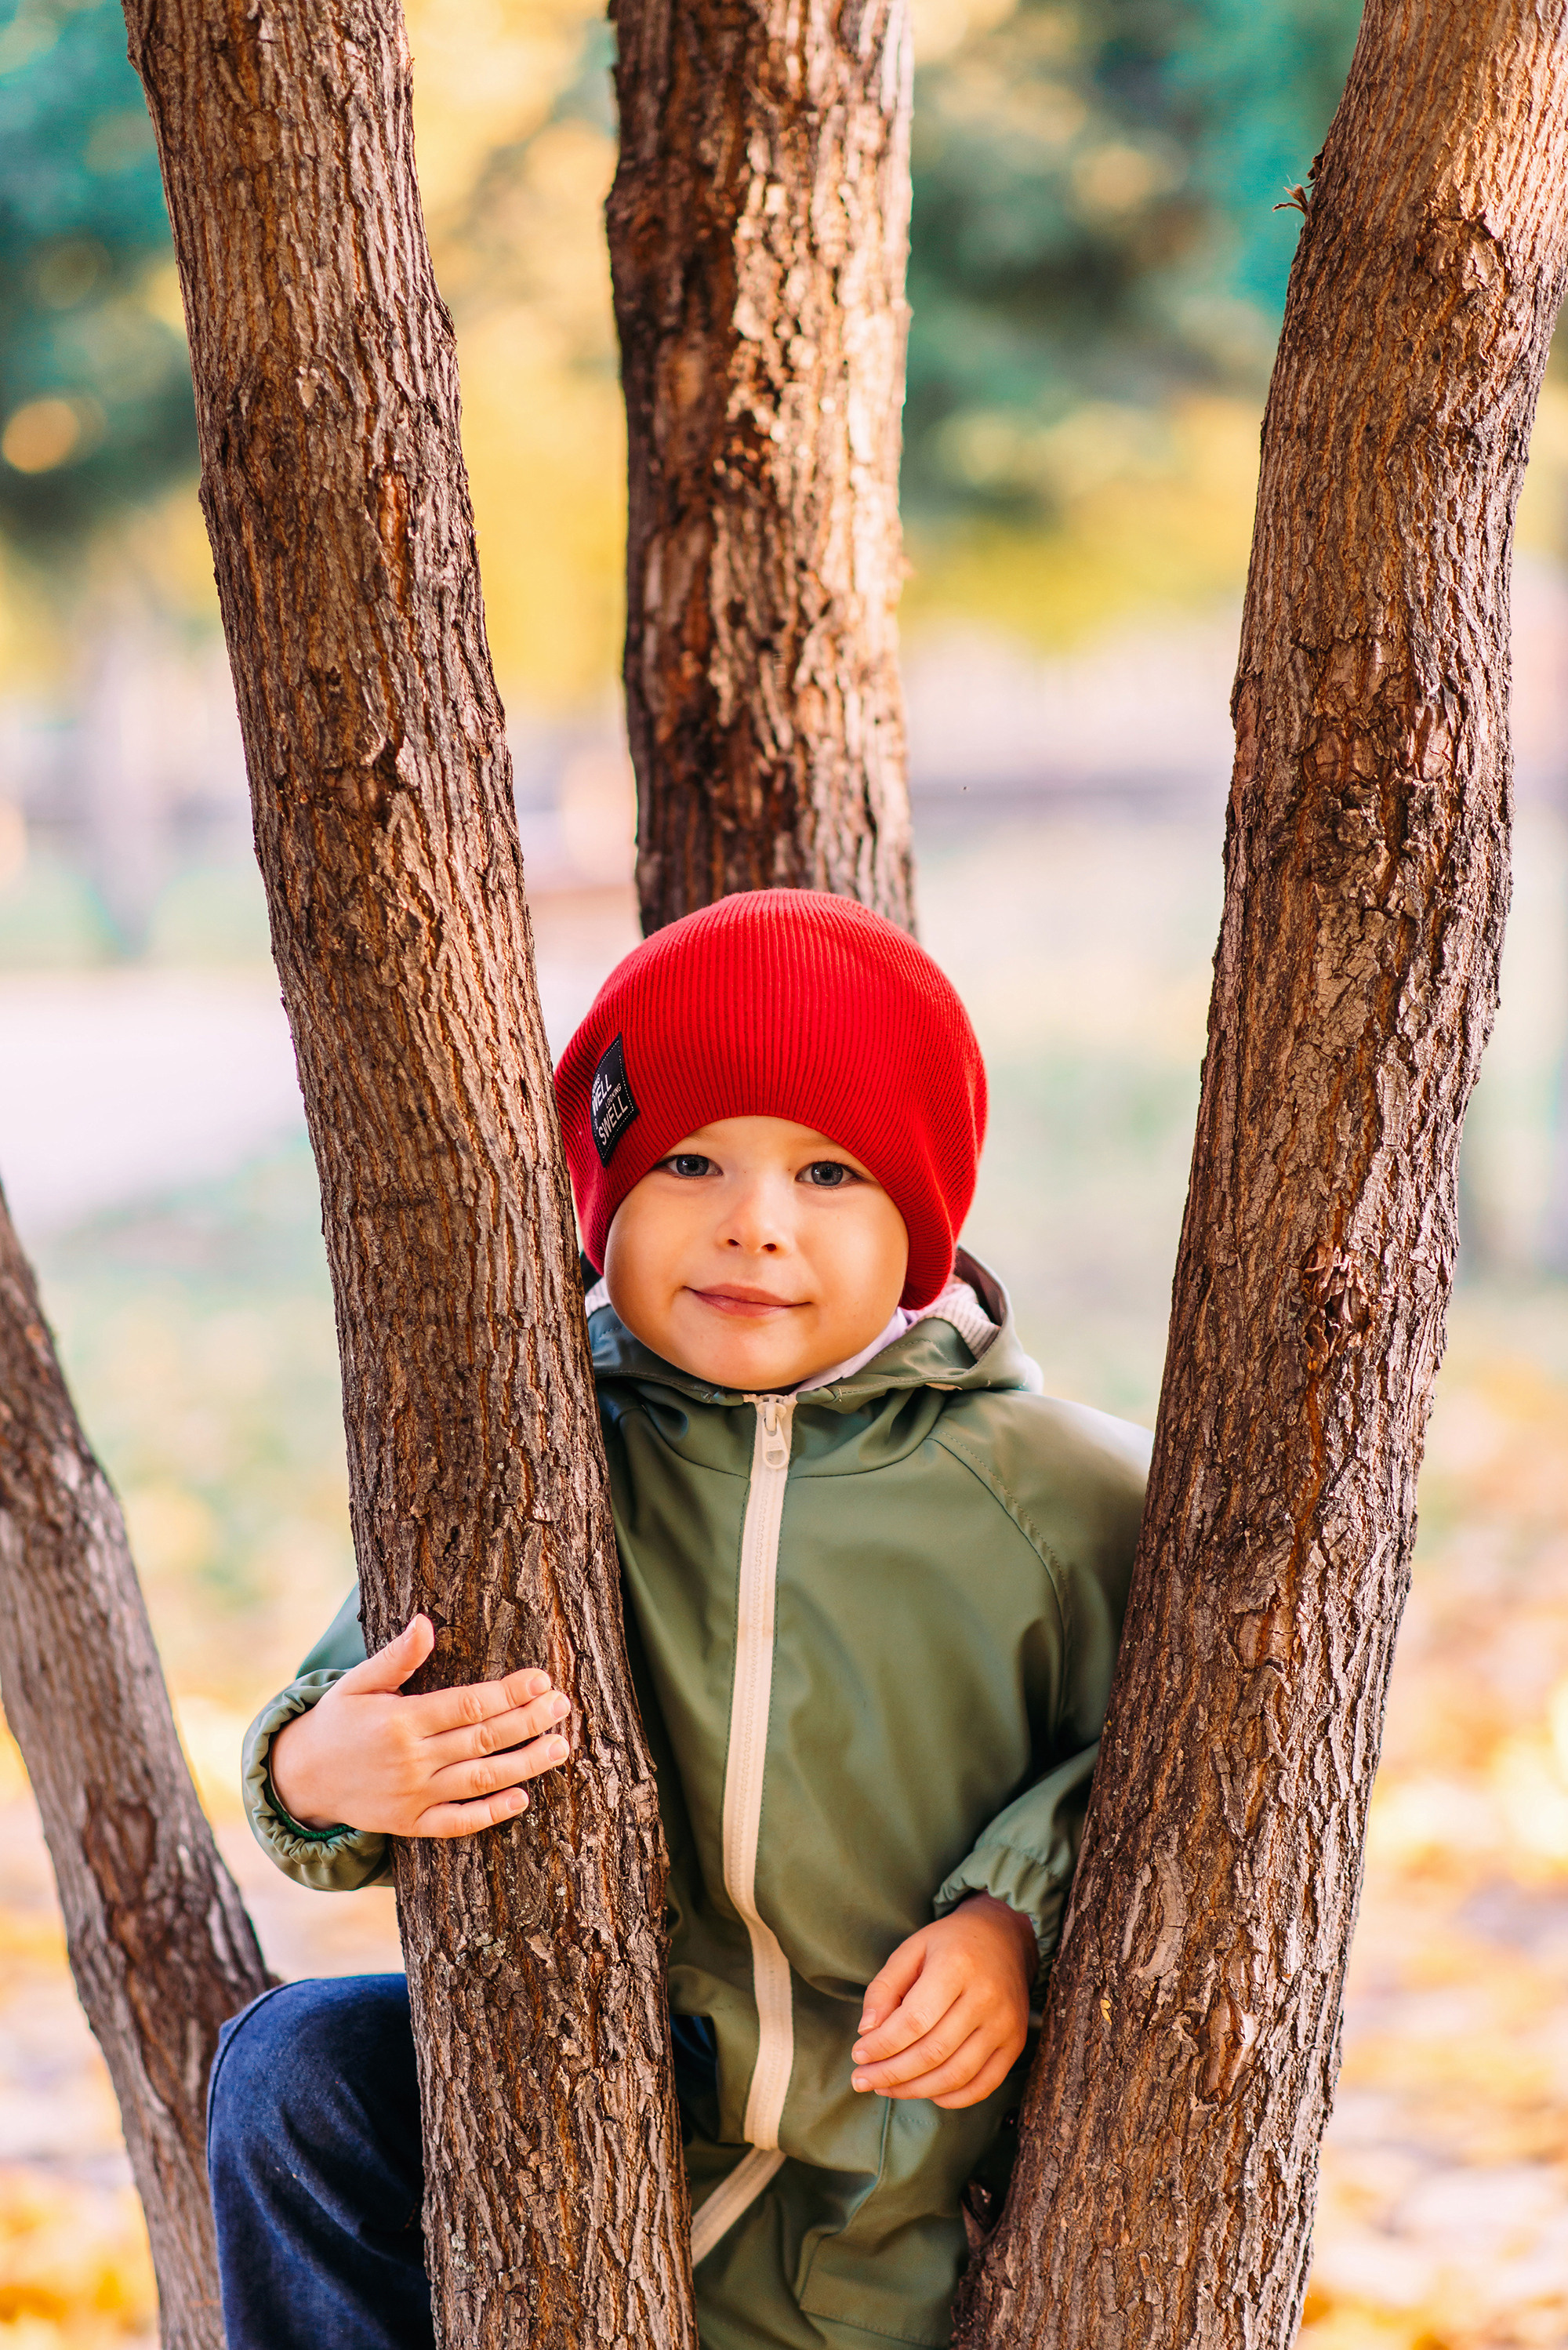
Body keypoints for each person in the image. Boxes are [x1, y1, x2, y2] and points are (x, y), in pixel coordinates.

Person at [212, 888, 1149, 2350]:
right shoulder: (541, 1452)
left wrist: (1009, 1916)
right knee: (295, 2068)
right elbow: (357, 1695)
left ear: (919, 1213)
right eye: (692, 1159)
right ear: (604, 1199)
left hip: (883, 2198)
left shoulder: (1052, 1496)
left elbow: (1184, 1768)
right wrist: (318, 1770)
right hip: (589, 2124)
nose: (754, 1225)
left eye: (831, 1172)